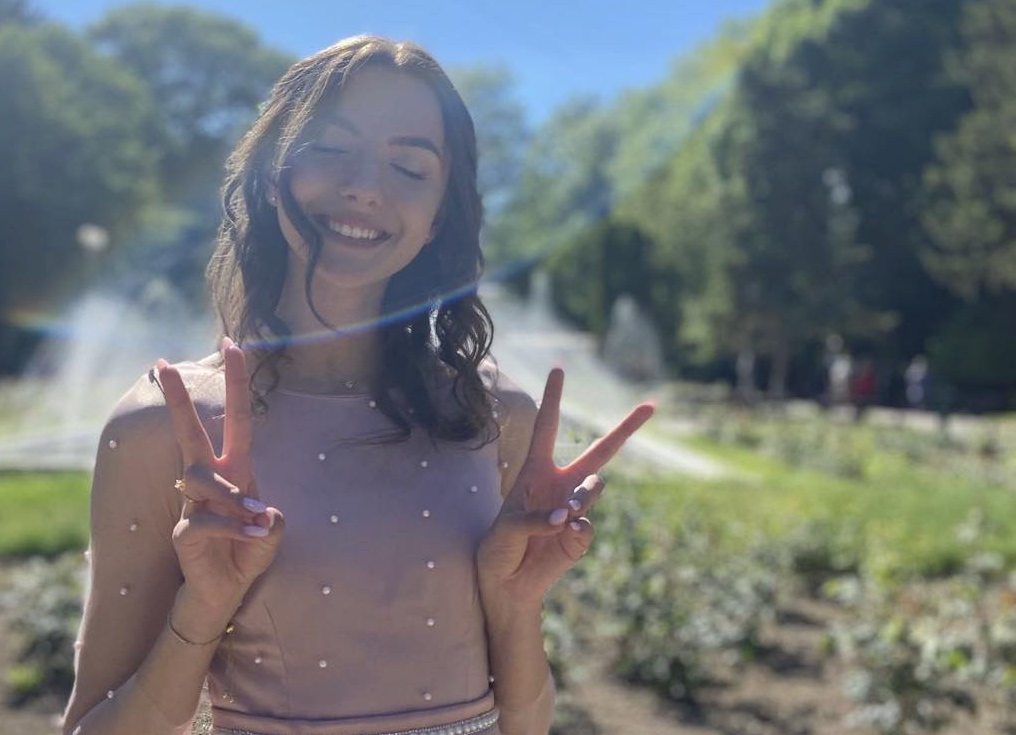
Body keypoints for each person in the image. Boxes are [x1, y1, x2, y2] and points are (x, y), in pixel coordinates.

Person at [62, 36, 653, 735]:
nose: (365, 187)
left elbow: (523, 724)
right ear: (271, 174)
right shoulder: (163, 425)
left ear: (439, 216)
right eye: (330, 148)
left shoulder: (494, 416)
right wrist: (202, 610)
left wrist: (515, 600)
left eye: (409, 167)